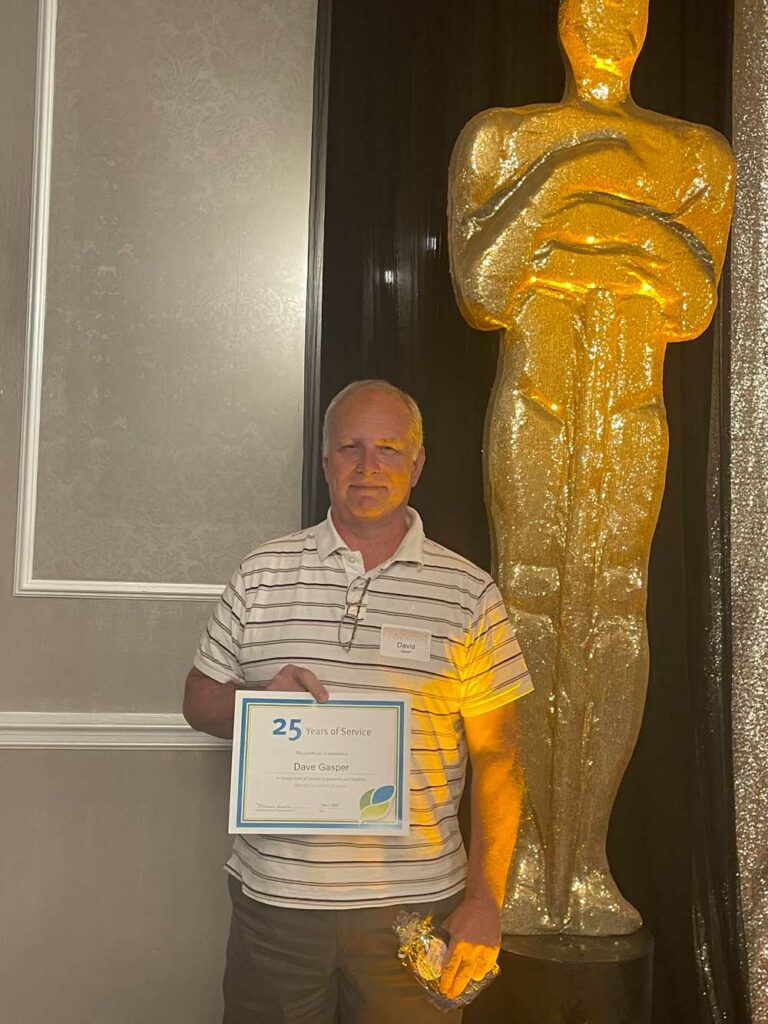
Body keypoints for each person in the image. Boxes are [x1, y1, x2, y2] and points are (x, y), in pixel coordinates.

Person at [448, 0, 734, 933]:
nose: (609, 17)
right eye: (590, 5)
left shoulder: (695, 154)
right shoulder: (504, 138)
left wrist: (580, 226)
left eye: (627, 6)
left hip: (630, 413)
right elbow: (486, 284)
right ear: (561, 19)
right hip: (534, 403)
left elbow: (691, 300)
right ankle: (525, 855)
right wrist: (578, 181)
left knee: (615, 601)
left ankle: (587, 858)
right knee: (526, 592)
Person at [183, 379, 532, 1023]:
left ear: (417, 464)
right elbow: (198, 701)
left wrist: (486, 900)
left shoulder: (469, 594)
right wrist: (256, 701)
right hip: (278, 911)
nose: (369, 466)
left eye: (389, 449)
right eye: (351, 447)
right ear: (326, 463)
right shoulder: (262, 573)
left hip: (416, 910)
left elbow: (500, 758)